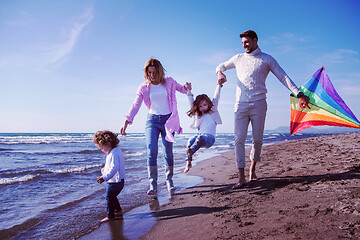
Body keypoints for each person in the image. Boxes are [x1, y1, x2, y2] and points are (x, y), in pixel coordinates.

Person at [216, 30, 310, 189]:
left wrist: (299, 94)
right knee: (239, 140)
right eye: (242, 43)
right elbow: (221, 65)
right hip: (240, 105)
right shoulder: (238, 58)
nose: (244, 45)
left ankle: (252, 170)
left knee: (257, 140)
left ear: (255, 40)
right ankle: (241, 177)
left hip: (259, 104)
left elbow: (283, 77)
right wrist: (220, 73)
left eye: (247, 42)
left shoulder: (266, 59)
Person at [120, 58, 191, 196]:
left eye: (154, 72)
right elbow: (136, 105)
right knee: (151, 151)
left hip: (168, 120)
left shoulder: (169, 81)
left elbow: (182, 89)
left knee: (167, 152)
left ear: (159, 71)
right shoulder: (143, 87)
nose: (152, 75)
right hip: (152, 120)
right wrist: (127, 121)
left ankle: (169, 181)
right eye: (149, 72)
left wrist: (187, 87)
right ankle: (153, 185)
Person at [183, 83, 223, 173]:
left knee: (200, 138)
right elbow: (191, 101)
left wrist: (219, 85)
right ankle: (188, 162)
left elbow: (217, 96)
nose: (203, 107)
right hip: (200, 138)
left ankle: (191, 151)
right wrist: (189, 91)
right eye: (200, 106)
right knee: (190, 141)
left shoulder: (213, 110)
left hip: (209, 139)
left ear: (209, 103)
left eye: (204, 105)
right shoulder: (198, 114)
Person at [94, 130, 125, 223]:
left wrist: (105, 177)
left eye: (102, 148)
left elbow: (114, 168)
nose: (102, 150)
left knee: (109, 197)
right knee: (113, 197)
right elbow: (109, 167)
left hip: (115, 182)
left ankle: (110, 216)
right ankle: (118, 211)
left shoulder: (114, 153)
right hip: (119, 181)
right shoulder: (115, 151)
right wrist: (104, 174)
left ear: (108, 143)